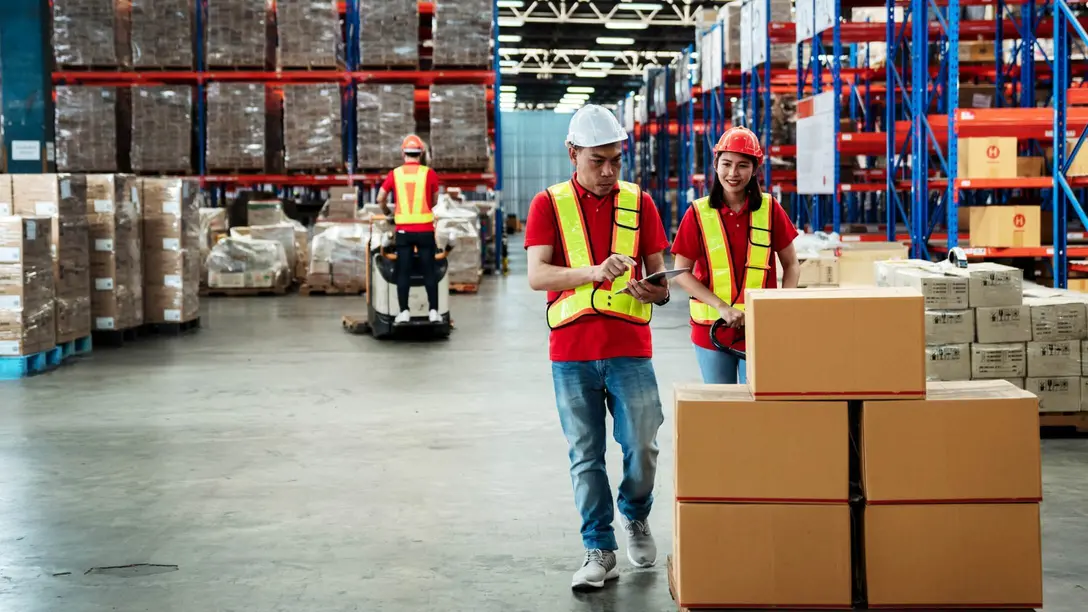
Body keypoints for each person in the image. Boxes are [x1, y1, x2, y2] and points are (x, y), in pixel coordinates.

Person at [524, 105, 672, 590]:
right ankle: (599, 549)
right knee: (585, 455)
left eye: (615, 160)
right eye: (597, 161)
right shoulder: (548, 204)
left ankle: (636, 513)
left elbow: (661, 276)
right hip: (572, 353)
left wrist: (656, 290)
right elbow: (536, 275)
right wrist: (591, 272)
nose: (608, 171)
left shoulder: (640, 203)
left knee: (643, 445)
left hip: (630, 347)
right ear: (573, 153)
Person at [671, 126, 801, 384]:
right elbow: (680, 272)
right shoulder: (697, 213)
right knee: (722, 408)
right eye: (726, 164)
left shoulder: (770, 209)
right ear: (715, 165)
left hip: (760, 328)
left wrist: (783, 305)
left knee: (757, 409)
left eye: (742, 165)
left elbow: (791, 264)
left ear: (755, 169)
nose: (733, 173)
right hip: (711, 328)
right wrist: (721, 307)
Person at [377, 134, 441, 324]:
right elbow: (435, 200)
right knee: (429, 270)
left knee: (403, 270)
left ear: (403, 153)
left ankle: (404, 311)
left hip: (403, 232)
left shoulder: (395, 174)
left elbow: (380, 198)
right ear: (421, 154)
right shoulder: (429, 174)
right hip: (425, 230)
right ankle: (433, 312)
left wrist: (389, 213)